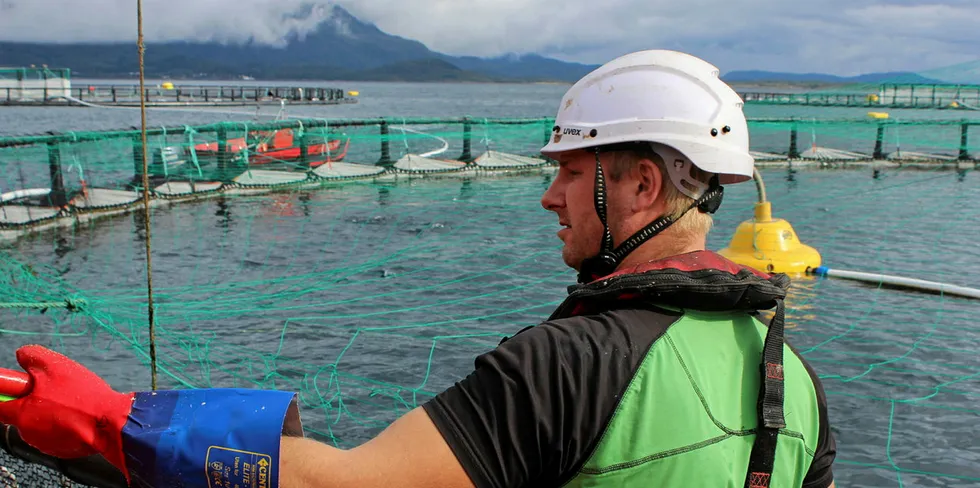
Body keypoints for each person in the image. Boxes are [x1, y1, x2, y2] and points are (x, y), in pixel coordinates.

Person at [0, 49, 836, 488]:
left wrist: (114, 422)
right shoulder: (792, 379)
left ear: (643, 184)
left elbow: (347, 487)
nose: (550, 198)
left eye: (572, 173)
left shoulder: (567, 366)